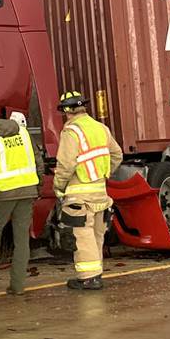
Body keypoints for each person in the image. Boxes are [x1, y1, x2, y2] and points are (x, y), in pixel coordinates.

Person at [52, 91, 123, 290]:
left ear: (66, 111)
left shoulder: (71, 132)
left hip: (79, 195)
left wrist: (58, 186)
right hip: (100, 193)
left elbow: (65, 165)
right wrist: (103, 173)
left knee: (82, 236)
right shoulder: (101, 128)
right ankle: (96, 273)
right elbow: (116, 155)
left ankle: (88, 278)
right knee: (96, 235)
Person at [0, 107, 43, 297]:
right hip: (28, 191)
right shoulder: (23, 133)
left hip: (2, 194)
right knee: (22, 239)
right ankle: (18, 286)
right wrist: (39, 187)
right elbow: (38, 161)